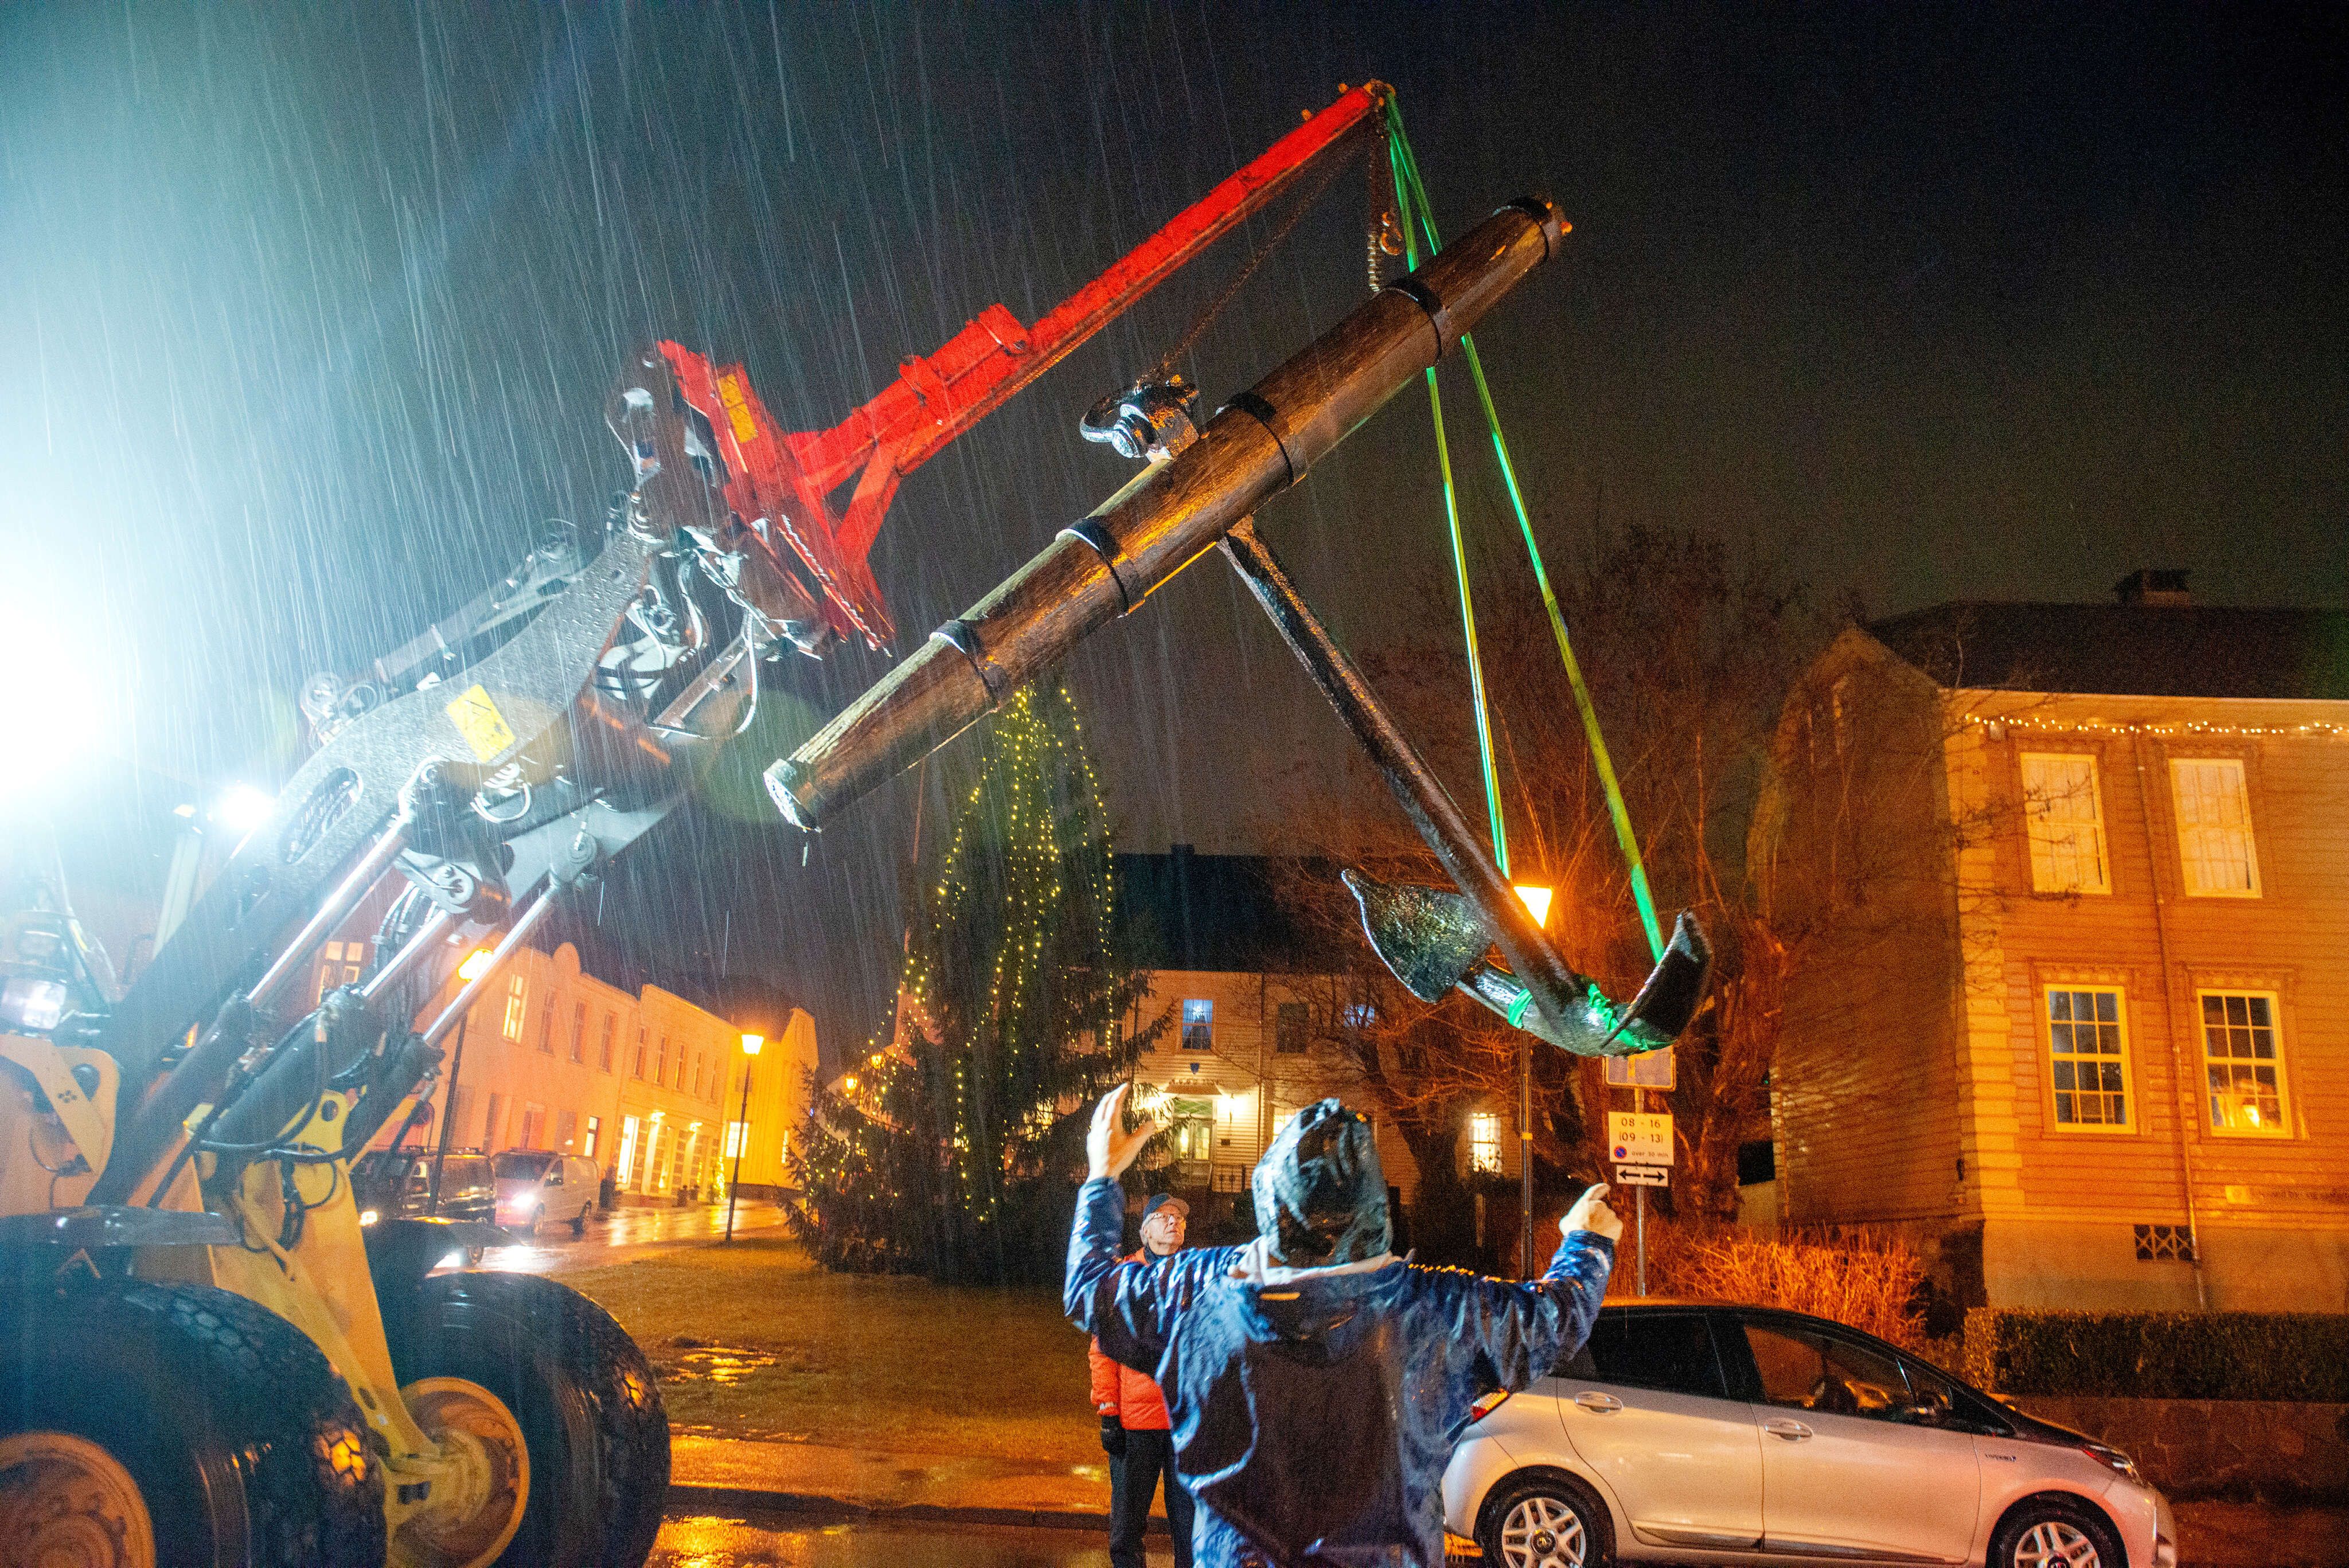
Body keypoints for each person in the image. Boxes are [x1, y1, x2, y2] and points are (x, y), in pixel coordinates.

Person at [1067, 1088, 1621, 1568]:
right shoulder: (1434, 1311)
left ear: (1271, 1192)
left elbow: (1090, 1289)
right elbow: (1554, 1319)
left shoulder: (1199, 1290)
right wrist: (1586, 1242)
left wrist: (1102, 1178)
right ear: (1374, 1203)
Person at [1090, 1192, 1196, 1568]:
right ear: (1145, 1230)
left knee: (1191, 1528)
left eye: (1179, 1218)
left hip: (1185, 1424)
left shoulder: (1197, 1276)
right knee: (1127, 1527)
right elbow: (1103, 1350)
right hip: (1135, 1424)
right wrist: (1108, 1411)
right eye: (1163, 1217)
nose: (1173, 1222)